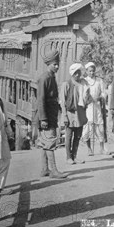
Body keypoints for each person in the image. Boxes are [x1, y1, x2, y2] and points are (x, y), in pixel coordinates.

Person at [34, 49, 67, 179]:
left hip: (50, 115)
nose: (57, 66)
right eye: (54, 64)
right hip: (46, 116)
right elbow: (40, 99)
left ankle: (44, 169)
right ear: (48, 64)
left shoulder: (51, 77)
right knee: (50, 143)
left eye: (58, 63)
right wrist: (43, 118)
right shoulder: (44, 78)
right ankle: (54, 170)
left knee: (44, 143)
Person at [60, 63, 92, 165]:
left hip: (80, 112)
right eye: (75, 73)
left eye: (79, 72)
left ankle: (75, 156)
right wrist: (64, 116)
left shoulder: (83, 84)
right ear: (72, 74)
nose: (78, 75)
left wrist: (87, 96)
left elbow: (88, 98)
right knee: (69, 135)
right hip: (70, 113)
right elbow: (62, 101)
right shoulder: (67, 84)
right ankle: (68, 157)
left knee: (78, 136)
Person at [82, 62, 109, 156]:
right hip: (88, 107)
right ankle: (89, 149)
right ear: (86, 71)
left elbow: (104, 92)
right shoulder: (84, 81)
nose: (91, 73)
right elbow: (82, 94)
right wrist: (87, 98)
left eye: (93, 71)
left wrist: (100, 97)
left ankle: (102, 148)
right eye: (89, 71)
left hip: (97, 106)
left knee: (100, 127)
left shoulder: (99, 80)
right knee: (88, 128)